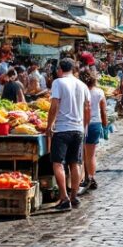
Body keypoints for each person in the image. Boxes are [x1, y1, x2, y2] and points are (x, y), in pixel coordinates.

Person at [46, 58, 91, 211]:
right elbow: (87, 108)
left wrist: (49, 125)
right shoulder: (82, 84)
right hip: (78, 129)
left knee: (58, 163)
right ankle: (74, 196)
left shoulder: (58, 83)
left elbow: (54, 105)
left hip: (62, 128)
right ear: (73, 69)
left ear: (59, 69)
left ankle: (64, 197)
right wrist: (84, 126)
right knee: (75, 163)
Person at [79, 70, 107, 191]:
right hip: (95, 123)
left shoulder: (80, 92)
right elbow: (103, 110)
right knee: (91, 155)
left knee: (84, 155)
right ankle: (90, 177)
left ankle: (88, 178)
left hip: (82, 124)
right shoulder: (100, 92)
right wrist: (105, 125)